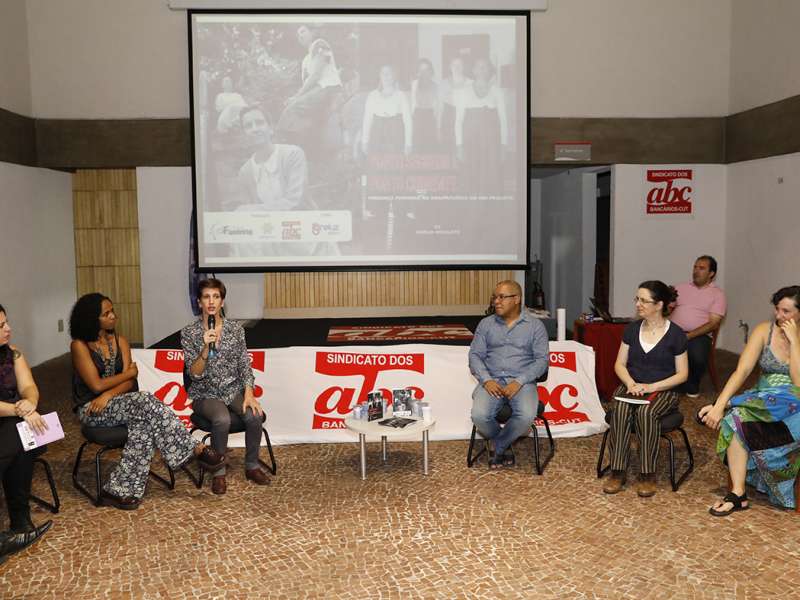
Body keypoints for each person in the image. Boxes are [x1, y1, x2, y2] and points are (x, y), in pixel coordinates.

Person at [70, 294, 226, 510]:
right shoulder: (79, 346)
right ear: (91, 319)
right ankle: (194, 449)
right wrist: (121, 379)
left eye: (112, 310)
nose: (113, 316)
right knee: (144, 401)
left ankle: (116, 491)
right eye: (106, 314)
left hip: (117, 402)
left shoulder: (120, 341)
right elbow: (95, 385)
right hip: (92, 409)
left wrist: (109, 393)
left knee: (143, 424)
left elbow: (130, 382)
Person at [698, 285, 800, 515]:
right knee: (735, 419)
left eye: (786, 311)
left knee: (791, 396)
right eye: (777, 309)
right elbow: (741, 371)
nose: (779, 316)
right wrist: (721, 402)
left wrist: (795, 342)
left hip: (794, 407)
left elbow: (798, 383)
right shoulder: (765, 330)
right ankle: (738, 493)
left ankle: (731, 403)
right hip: (762, 403)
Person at [181, 279, 269, 495]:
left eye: (216, 297)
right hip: (205, 392)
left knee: (255, 415)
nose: (211, 302)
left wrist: (249, 393)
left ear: (222, 301)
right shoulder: (189, 333)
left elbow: (244, 366)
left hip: (232, 390)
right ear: (199, 302)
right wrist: (205, 347)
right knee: (222, 419)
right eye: (206, 297)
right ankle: (218, 472)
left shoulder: (235, 330)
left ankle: (252, 466)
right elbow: (194, 374)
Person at [603, 281, 688, 497]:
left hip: (663, 388)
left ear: (659, 305)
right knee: (620, 410)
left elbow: (682, 374)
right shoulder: (632, 329)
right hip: (632, 384)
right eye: (637, 299)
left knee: (646, 412)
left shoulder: (676, 334)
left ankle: (647, 475)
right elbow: (619, 364)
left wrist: (652, 386)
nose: (638, 304)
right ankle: (617, 471)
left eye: (643, 300)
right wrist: (631, 383)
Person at [469, 280, 549, 469]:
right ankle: (504, 446)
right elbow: (474, 355)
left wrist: (519, 381)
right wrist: (486, 380)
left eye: (501, 297)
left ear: (516, 299)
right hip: (492, 380)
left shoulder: (535, 326)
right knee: (479, 415)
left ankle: (498, 445)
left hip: (522, 382)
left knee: (527, 415)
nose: (496, 301)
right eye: (494, 297)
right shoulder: (486, 324)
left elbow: (541, 361)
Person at [0, 304, 51, 565]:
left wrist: (30, 403)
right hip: (8, 417)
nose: (8, 328)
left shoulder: (13, 354)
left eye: (6, 322)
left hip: (11, 421)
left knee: (23, 437)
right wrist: (20, 411)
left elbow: (29, 386)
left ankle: (19, 527)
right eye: (0, 326)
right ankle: (21, 523)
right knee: (23, 438)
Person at [670, 255, 727, 397]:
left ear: (711, 273)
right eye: (695, 267)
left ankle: (691, 385)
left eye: (701, 268)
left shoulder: (717, 294)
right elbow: (667, 310)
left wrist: (688, 336)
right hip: (673, 331)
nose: (696, 271)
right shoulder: (680, 288)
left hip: (699, 335)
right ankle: (667, 383)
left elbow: (714, 323)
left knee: (697, 355)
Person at [454, 57, 507, 197]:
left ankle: (491, 215)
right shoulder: (464, 92)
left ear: (489, 70)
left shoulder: (497, 91)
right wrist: (459, 146)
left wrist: (503, 145)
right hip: (471, 143)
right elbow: (458, 121)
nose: (482, 70)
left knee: (492, 178)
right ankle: (473, 215)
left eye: (485, 66)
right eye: (479, 66)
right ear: (473, 70)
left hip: (491, 144)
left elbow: (503, 121)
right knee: (472, 178)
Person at [410, 58, 440, 154]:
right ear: (418, 71)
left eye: (426, 69)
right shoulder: (414, 84)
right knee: (417, 147)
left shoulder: (435, 86)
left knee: (429, 147)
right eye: (421, 69)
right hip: (417, 116)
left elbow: (437, 108)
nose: (424, 72)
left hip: (430, 117)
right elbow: (412, 103)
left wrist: (437, 127)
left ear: (431, 71)